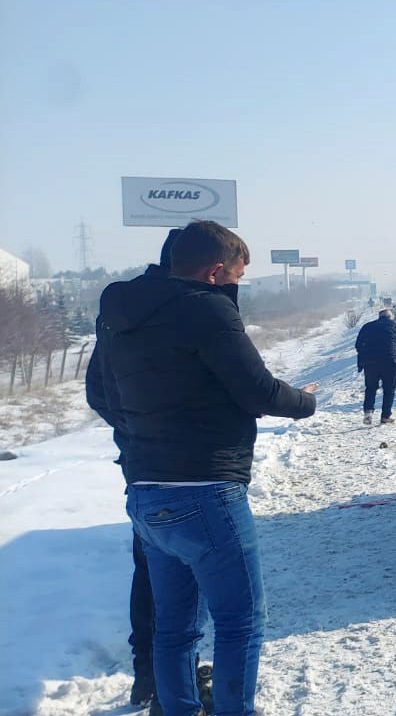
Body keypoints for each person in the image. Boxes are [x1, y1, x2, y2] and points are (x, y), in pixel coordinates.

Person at [94, 219, 318, 716]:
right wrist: (305, 402)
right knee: (241, 623)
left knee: (174, 627)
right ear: (216, 272)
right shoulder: (208, 310)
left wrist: (148, 438)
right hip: (206, 490)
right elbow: (257, 389)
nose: (238, 286)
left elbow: (103, 392)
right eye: (237, 276)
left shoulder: (120, 313)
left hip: (145, 490)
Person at [87, 228, 180, 713]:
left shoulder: (119, 311)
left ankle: (147, 672)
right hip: (182, 464)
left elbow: (97, 391)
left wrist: (138, 433)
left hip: (140, 461)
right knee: (180, 571)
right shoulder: (185, 309)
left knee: (150, 565)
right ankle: (168, 684)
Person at [355, 309, 396, 423]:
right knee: (389, 390)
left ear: (379, 317)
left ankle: (368, 412)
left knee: (371, 388)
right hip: (391, 362)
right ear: (390, 317)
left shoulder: (367, 326)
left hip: (370, 363)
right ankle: (385, 416)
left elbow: (358, 344)